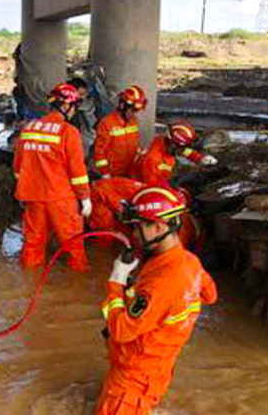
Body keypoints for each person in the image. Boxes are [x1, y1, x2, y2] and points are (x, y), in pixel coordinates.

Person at [98, 186, 218, 414]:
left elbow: (121, 330)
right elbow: (210, 296)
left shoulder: (162, 283)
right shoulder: (190, 262)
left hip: (130, 384)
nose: (134, 233)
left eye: (138, 226)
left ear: (159, 226)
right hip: (157, 372)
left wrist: (116, 281)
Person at [13, 82, 92, 272]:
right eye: (74, 107)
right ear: (66, 106)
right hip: (61, 199)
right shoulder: (68, 132)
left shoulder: (29, 128)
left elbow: (18, 167)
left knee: (32, 245)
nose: (74, 112)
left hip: (32, 196)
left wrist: (24, 190)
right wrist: (85, 198)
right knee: (74, 246)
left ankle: (28, 285)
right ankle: (78, 287)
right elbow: (78, 173)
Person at [133, 123, 217, 186]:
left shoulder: (167, 145)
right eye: (182, 148)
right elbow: (152, 188)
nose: (183, 150)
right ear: (173, 145)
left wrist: (200, 158)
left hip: (163, 181)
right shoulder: (153, 159)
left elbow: (185, 151)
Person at [94, 86, 148, 179]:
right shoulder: (107, 123)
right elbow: (99, 152)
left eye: (136, 111)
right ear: (122, 106)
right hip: (113, 174)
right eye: (133, 110)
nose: (134, 113)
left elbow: (133, 143)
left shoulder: (133, 121)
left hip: (130, 172)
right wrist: (105, 173)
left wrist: (139, 152)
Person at [88, 177, 146, 250]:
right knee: (105, 229)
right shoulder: (142, 196)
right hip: (99, 194)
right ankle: (106, 250)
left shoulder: (144, 193)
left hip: (108, 192)